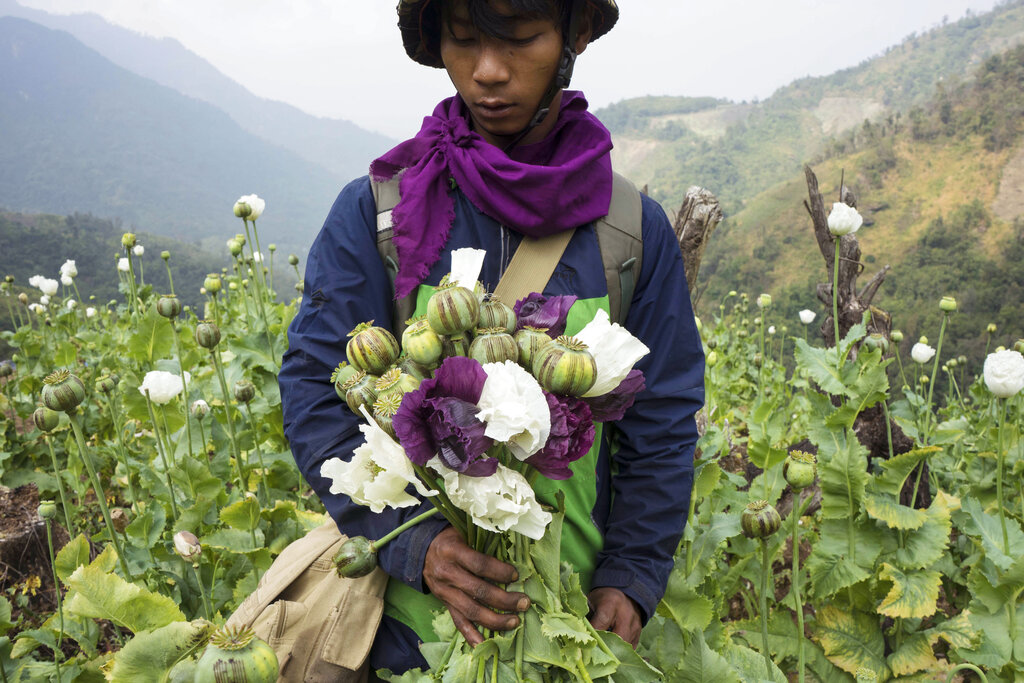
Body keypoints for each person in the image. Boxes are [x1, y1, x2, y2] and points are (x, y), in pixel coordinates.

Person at [278, 0, 704, 674]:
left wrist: (632, 573)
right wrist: (411, 545)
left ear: (575, 36)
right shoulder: (381, 213)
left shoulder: (630, 233)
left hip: (574, 627)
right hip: (406, 633)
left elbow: (664, 420)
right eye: (464, 40)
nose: (487, 72)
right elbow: (314, 389)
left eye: (522, 39)